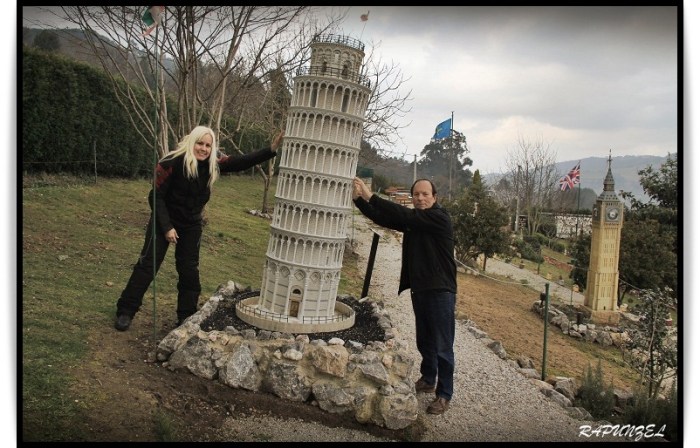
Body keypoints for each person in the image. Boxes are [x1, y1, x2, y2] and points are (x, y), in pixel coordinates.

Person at [114, 126, 284, 331]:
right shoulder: (170, 162)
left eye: (207, 145)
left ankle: (185, 317)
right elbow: (155, 196)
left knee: (188, 270)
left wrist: (271, 149)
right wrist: (167, 228)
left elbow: (240, 162)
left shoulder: (214, 163)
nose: (203, 149)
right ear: (191, 142)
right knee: (147, 265)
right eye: (200, 143)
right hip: (164, 219)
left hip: (191, 223)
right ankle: (126, 311)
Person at [352, 177, 457, 415]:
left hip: (440, 291)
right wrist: (359, 202)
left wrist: (371, 196)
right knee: (425, 339)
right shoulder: (416, 220)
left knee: (443, 345)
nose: (419, 198)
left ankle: (444, 394)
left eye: (424, 194)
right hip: (421, 288)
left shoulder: (439, 218)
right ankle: (429, 378)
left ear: (434, 197)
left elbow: (404, 215)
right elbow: (386, 218)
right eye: (416, 195)